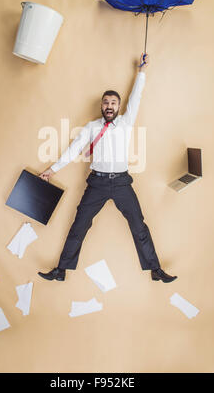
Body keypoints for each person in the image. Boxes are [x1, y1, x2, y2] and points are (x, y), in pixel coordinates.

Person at [38, 53, 177, 283]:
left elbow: (136, 97)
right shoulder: (92, 127)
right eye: (106, 102)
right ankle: (60, 270)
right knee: (79, 225)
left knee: (138, 226)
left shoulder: (125, 122)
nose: (109, 106)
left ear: (119, 106)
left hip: (122, 183)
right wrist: (52, 170)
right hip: (98, 183)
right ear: (101, 106)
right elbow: (73, 150)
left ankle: (155, 269)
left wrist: (141, 72)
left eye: (113, 103)